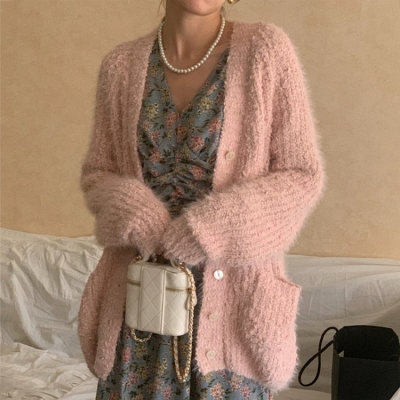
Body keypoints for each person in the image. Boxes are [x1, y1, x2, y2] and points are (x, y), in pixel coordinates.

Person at [78, 0, 326, 399]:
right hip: (138, 318)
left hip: (232, 321)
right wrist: (138, 215)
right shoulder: (121, 66)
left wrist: (210, 229)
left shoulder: (264, 50)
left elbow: (300, 175)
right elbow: (98, 173)